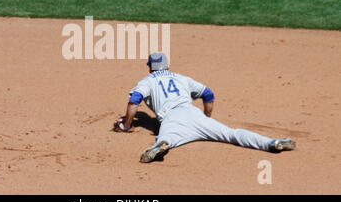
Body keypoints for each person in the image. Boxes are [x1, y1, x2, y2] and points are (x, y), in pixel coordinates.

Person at [113, 52, 296, 163]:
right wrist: (206, 119)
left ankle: (162, 144)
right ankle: (270, 143)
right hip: (194, 114)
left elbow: (134, 101)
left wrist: (127, 125)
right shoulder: (182, 78)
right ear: (168, 65)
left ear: (150, 68)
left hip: (172, 119)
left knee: (166, 137)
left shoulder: (147, 81)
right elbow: (208, 94)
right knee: (232, 134)